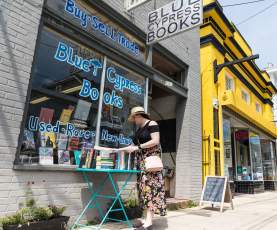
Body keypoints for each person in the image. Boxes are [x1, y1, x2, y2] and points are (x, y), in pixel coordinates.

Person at [117, 106, 166, 230]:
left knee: (151, 190)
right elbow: (134, 145)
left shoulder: (152, 124)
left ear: (138, 116)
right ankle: (145, 219)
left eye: (134, 118)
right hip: (142, 162)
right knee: (144, 190)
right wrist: (123, 149)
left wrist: (137, 148)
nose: (134, 121)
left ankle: (149, 223)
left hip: (151, 163)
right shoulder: (140, 129)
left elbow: (156, 141)